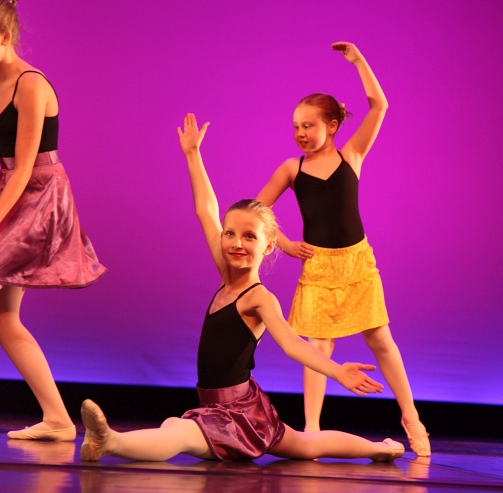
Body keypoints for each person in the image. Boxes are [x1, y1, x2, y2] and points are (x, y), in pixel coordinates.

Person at [79, 114, 404, 464]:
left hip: (238, 413)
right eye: (230, 234)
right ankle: (380, 448)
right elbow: (206, 211)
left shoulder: (259, 297)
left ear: (268, 246)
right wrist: (193, 155)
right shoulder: (226, 275)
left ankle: (108, 441)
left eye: (250, 236)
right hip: (223, 407)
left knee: (182, 431)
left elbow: (293, 344)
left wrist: (337, 370)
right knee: (304, 446)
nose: (236, 243)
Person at [256, 42, 430, 456]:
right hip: (318, 267)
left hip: (356, 262)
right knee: (318, 347)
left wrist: (359, 62)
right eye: (296, 126)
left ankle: (411, 417)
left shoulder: (351, 155)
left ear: (332, 125)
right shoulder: (292, 169)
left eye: (308, 125)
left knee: (381, 339)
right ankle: (312, 429)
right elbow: (257, 210)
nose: (300, 133)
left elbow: (379, 105)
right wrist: (283, 243)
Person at [0, 0, 107, 442]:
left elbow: (24, 170)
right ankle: (58, 419)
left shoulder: (31, 84)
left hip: (41, 197)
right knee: (4, 316)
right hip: (11, 191)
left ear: (4, 36)